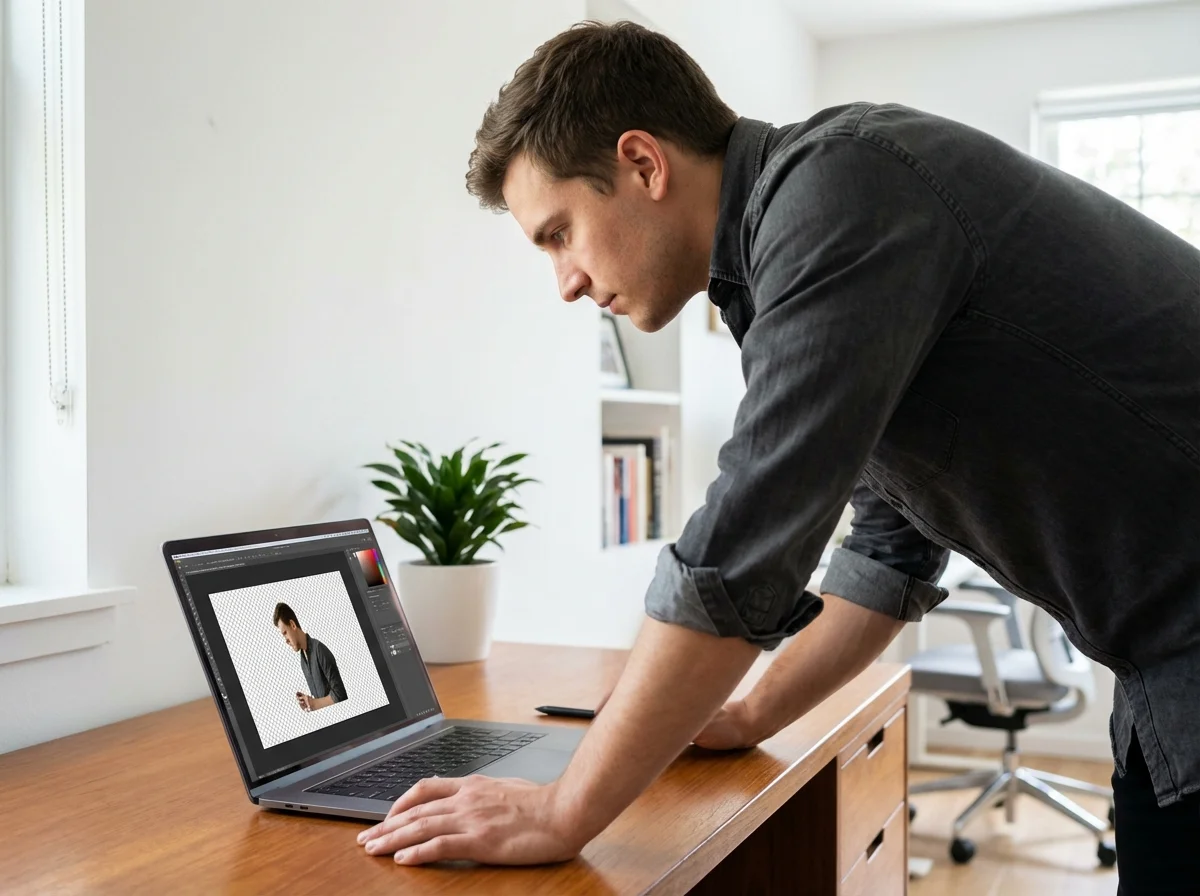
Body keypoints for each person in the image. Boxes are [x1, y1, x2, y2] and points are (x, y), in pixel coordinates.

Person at [355, 21, 1200, 890]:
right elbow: (887, 548)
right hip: (1160, 675)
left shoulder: (844, 189)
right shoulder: (795, 249)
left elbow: (745, 542)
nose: (565, 280)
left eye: (559, 233)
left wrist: (563, 807)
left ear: (643, 164)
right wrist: (747, 712)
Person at [273, 602, 347, 711]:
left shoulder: (319, 650)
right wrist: (309, 703)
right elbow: (320, 699)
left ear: (293, 625)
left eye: (285, 633)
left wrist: (313, 704)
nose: (286, 641)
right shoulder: (303, 662)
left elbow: (340, 695)